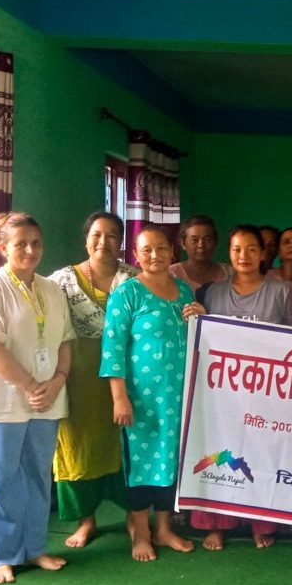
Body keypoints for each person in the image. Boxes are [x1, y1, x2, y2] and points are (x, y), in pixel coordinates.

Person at [0, 211, 76, 584]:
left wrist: (59, 380)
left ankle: (35, 548)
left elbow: (65, 340)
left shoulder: (51, 289)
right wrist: (31, 385)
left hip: (47, 398)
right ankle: (3, 556)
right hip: (1, 400)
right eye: (20, 244)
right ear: (2, 247)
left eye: (36, 243)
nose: (30, 250)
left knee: (37, 475)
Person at [100, 224, 205, 561]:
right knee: (143, 464)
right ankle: (141, 532)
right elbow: (112, 347)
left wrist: (201, 318)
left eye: (161, 248)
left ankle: (163, 528)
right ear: (135, 256)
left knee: (170, 460)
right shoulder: (127, 293)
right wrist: (119, 396)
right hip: (140, 398)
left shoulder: (185, 291)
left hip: (178, 396)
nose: (155, 256)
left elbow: (197, 338)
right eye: (146, 250)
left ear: (172, 252)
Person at [190, 225, 292, 550]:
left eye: (251, 249)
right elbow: (203, 336)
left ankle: (261, 524)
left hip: (267, 392)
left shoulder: (281, 292)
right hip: (222, 393)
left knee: (261, 456)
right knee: (220, 455)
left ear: (263, 253)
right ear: (229, 253)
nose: (244, 256)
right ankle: (216, 525)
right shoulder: (212, 292)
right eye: (237, 249)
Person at [48, 211, 137, 548]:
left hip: (127, 375)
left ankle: (134, 516)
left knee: (126, 444)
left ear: (121, 242)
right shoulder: (60, 281)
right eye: (97, 235)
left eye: (112, 235)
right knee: (78, 444)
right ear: (86, 240)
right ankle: (87, 521)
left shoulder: (134, 279)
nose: (104, 242)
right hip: (78, 375)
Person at [169, 214, 232, 292]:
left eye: (207, 239)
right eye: (194, 240)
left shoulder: (229, 274)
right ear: (183, 243)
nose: (201, 245)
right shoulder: (171, 274)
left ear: (215, 242)